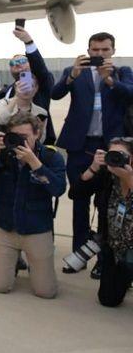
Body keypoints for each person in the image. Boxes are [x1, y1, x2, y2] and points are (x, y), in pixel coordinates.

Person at [51, 32, 133, 272]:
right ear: (88, 51)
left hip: (111, 144)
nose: (99, 55)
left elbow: (130, 94)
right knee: (79, 199)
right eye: (94, 50)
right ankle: (79, 255)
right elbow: (55, 94)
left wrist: (109, 80)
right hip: (80, 145)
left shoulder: (122, 72)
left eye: (104, 50)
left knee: (107, 201)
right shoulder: (74, 70)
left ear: (113, 51)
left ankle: (104, 259)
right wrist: (71, 77)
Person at [0, 112, 65, 298]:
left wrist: (34, 163)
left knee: (46, 292)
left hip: (37, 229)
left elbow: (59, 188)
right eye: (16, 137)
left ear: (37, 134)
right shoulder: (4, 155)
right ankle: (10, 263)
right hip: (6, 228)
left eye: (25, 138)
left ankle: (35, 267)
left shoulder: (49, 156)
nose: (21, 142)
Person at [72, 137, 133, 306]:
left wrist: (129, 179)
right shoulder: (108, 176)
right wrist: (93, 168)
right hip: (115, 248)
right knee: (108, 299)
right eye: (112, 154)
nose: (116, 159)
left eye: (121, 155)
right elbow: (76, 194)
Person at [0, 25, 56, 142]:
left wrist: (28, 42)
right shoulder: (4, 93)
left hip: (37, 144)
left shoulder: (41, 84)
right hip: (8, 143)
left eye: (22, 61)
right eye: (13, 63)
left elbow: (40, 68)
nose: (17, 64)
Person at [0, 74, 49, 142]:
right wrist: (16, 96)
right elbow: (1, 120)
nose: (26, 90)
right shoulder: (4, 103)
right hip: (5, 145)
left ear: (36, 88)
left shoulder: (41, 112)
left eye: (30, 86)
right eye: (23, 86)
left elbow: (41, 139)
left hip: (29, 148)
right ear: (16, 87)